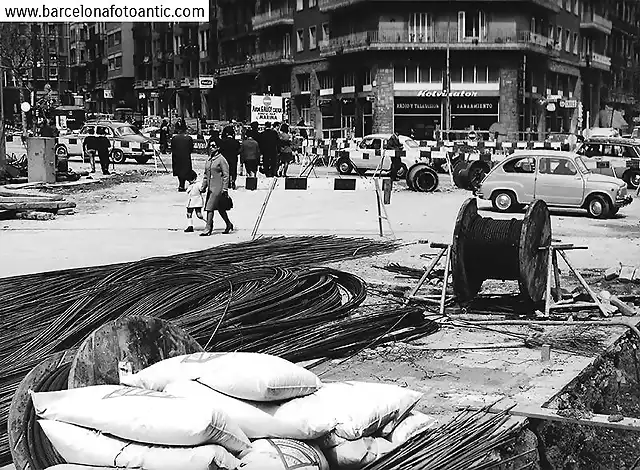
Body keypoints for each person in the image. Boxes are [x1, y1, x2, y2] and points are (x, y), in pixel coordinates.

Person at [200, 141, 233, 236]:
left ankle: (208, 227)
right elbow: (206, 175)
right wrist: (203, 186)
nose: (211, 148)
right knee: (220, 208)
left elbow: (226, 175)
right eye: (209, 146)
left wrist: (225, 189)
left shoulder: (221, 159)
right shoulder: (209, 159)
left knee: (209, 207)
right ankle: (228, 224)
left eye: (213, 146)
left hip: (218, 187)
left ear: (218, 147)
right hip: (210, 187)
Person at [171, 122, 194, 192]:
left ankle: (181, 185)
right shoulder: (189, 138)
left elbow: (172, 148)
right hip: (186, 156)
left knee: (179, 171)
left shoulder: (174, 138)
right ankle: (188, 184)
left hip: (176, 157)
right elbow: (191, 148)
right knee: (186, 170)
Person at [219, 125, 240, 190]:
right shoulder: (236, 142)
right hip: (233, 158)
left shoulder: (222, 141)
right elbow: (239, 150)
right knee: (233, 170)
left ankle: (227, 183)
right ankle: (233, 181)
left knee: (225, 171)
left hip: (225, 158)